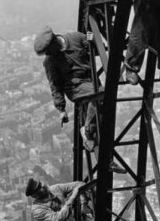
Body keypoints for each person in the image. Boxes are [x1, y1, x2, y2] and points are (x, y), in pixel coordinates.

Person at [34, 26, 126, 173]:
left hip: (92, 82)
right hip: (75, 88)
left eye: (48, 50)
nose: (48, 54)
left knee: (101, 122)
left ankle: (106, 160)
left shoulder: (76, 38)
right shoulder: (50, 61)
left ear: (55, 41)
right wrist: (61, 109)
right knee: (103, 97)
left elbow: (97, 50)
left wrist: (93, 41)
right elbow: (55, 85)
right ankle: (87, 129)